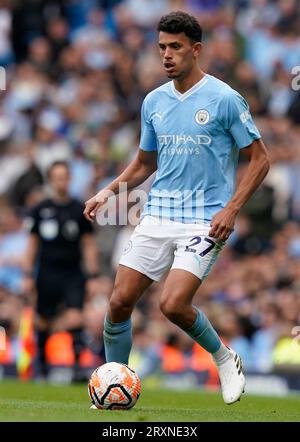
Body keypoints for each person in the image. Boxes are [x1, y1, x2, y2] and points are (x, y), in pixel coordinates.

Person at [84, 11, 270, 404]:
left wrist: (232, 208)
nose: (166, 55)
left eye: (175, 47)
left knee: (172, 304)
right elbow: (144, 163)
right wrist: (107, 192)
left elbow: (260, 159)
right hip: (157, 216)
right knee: (118, 302)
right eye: (162, 48)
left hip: (205, 220)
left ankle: (224, 357)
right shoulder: (154, 101)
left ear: (196, 50)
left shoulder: (223, 98)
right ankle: (115, 383)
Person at [23, 161, 100, 378]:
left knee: (76, 316)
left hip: (72, 272)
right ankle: (43, 365)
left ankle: (77, 367)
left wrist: (93, 275)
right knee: (43, 319)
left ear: (69, 179)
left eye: (64, 176)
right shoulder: (40, 209)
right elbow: (32, 244)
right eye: (56, 176)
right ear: (51, 179)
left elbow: (88, 244)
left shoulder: (79, 209)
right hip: (46, 272)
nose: (61, 181)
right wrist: (27, 274)